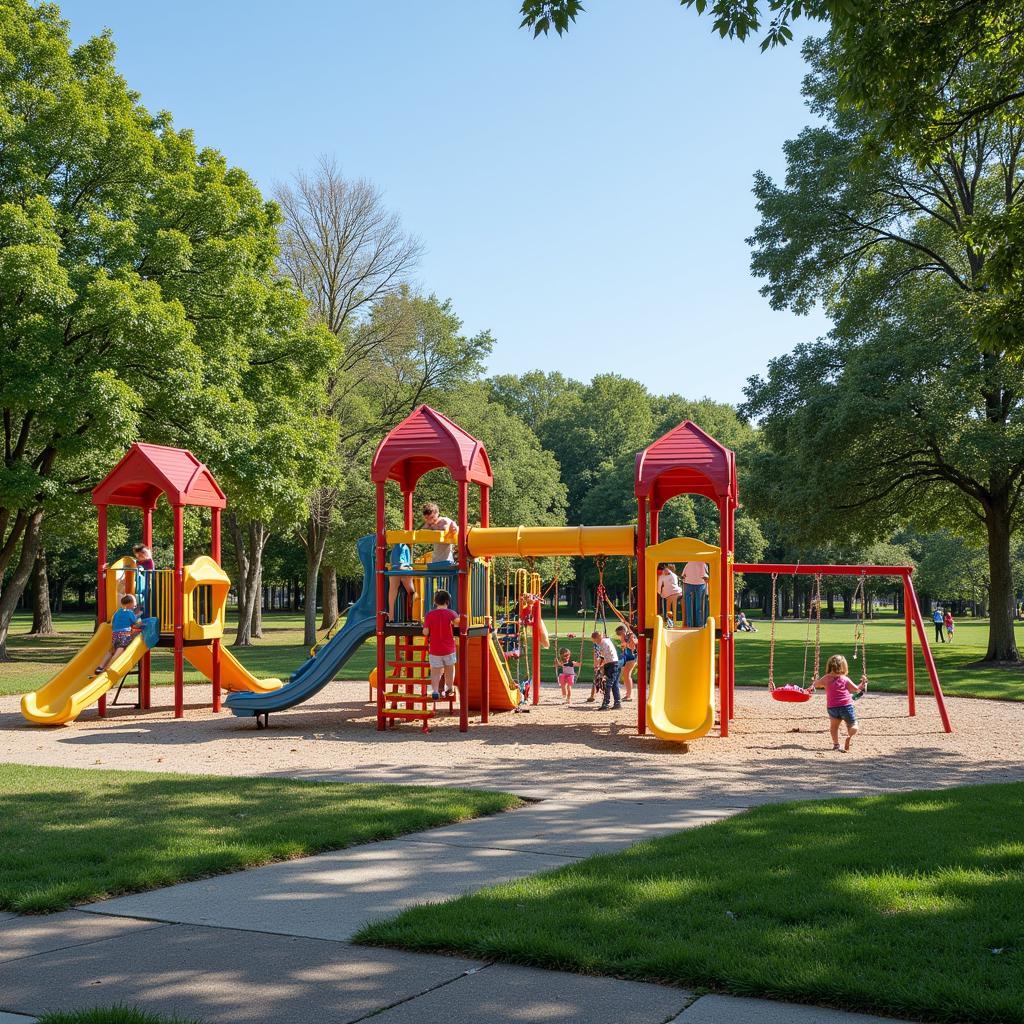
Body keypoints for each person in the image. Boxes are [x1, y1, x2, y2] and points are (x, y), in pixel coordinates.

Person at [806, 654, 867, 751]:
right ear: (844, 667)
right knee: (852, 724)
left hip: (832, 707)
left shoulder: (826, 678)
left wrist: (815, 679)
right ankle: (851, 732)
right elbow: (856, 689)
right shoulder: (845, 679)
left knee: (834, 727)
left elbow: (816, 684)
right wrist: (863, 683)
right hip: (846, 706)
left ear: (829, 666)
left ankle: (836, 744)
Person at [423, 589, 458, 700]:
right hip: (449, 649)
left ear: (435, 601)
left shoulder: (429, 615)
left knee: (435, 671)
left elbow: (425, 632)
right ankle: (449, 688)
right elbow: (458, 622)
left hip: (435, 649)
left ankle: (435, 691)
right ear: (447, 601)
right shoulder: (451, 613)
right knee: (450, 669)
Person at [95, 594, 141, 676]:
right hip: (124, 635)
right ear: (129, 604)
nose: (135, 605)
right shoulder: (129, 613)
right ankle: (108, 668)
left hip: (115, 634)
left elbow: (113, 622)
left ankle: (100, 666)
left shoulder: (117, 612)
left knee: (111, 651)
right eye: (134, 603)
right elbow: (135, 622)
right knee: (119, 651)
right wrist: (138, 616)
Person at [591, 630, 621, 710]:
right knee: (614, 684)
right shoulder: (607, 640)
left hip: (611, 664)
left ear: (597, 638)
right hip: (613, 663)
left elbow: (602, 657)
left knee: (608, 684)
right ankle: (617, 703)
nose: (595, 643)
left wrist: (598, 666)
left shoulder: (603, 644)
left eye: (595, 641)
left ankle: (606, 704)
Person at [386, 542, 416, 621]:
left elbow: (397, 563)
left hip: (396, 570)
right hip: (401, 569)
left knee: (393, 590)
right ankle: (412, 614)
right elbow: (401, 563)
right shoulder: (403, 546)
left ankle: (391, 616)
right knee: (411, 591)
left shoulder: (398, 546)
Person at [682, 560, 709, 628]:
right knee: (699, 606)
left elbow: (683, 575)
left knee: (690, 605)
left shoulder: (689, 563)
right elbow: (706, 575)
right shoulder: (702, 562)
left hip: (691, 583)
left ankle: (690, 624)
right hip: (699, 584)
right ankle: (699, 624)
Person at [615, 624, 637, 701]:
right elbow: (623, 647)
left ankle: (629, 695)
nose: (620, 636)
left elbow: (632, 647)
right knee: (625, 676)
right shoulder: (624, 637)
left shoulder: (631, 635)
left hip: (632, 657)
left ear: (624, 631)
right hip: (626, 657)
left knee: (627, 675)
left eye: (620, 634)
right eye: (619, 635)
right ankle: (628, 694)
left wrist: (625, 642)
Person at [132, 543, 155, 616]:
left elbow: (151, 571)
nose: (146, 555)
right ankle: (139, 611)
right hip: (138, 584)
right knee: (139, 598)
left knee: (147, 598)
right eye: (142, 554)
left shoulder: (149, 561)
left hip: (148, 584)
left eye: (146, 553)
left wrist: (142, 569)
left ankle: (145, 612)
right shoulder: (137, 562)